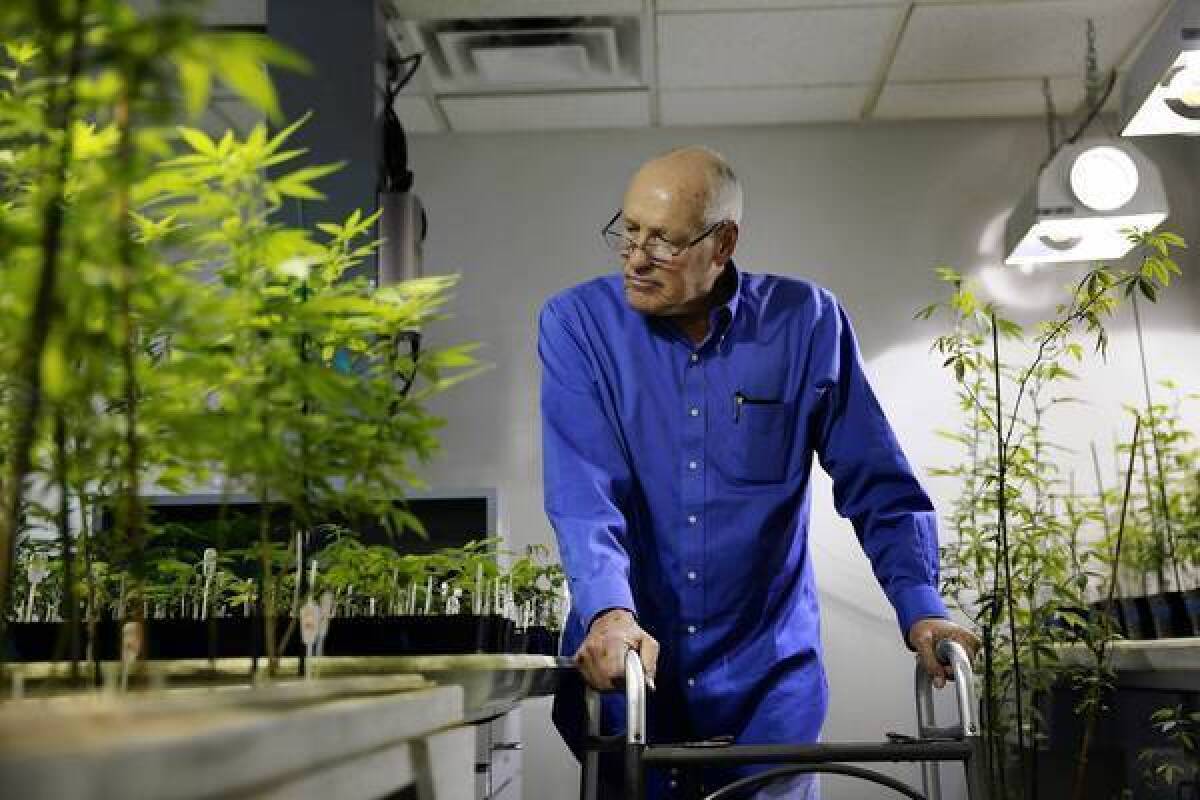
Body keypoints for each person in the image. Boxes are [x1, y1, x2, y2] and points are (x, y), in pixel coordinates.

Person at [538, 146, 981, 799]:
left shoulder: (807, 323)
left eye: (662, 243)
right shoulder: (578, 325)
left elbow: (876, 481)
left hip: (767, 681)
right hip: (629, 666)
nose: (635, 258)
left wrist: (922, 609)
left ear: (723, 243)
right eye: (628, 232)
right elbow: (585, 489)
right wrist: (608, 613)